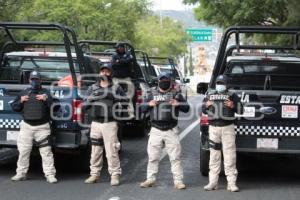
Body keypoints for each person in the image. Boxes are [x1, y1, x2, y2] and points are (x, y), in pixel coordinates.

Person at [140, 72, 190, 190]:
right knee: (153, 157)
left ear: (170, 81)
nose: (164, 82)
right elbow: (141, 109)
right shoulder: (151, 94)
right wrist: (149, 104)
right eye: (162, 79)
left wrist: (178, 104)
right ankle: (150, 179)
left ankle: (178, 181)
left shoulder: (176, 95)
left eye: (166, 80)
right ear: (158, 81)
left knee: (175, 157)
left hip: (171, 129)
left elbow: (187, 108)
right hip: (156, 129)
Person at [10, 70, 57, 183]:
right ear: (29, 80)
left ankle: (50, 175)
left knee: (46, 152)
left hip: (42, 127)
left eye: (37, 79)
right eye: (33, 79)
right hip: (27, 127)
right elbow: (15, 107)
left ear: (40, 80)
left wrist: (46, 100)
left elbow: (56, 108)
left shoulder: (46, 93)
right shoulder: (23, 93)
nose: (34, 81)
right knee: (23, 151)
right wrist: (21, 101)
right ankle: (21, 173)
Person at [84, 63, 125, 186]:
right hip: (96, 123)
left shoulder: (116, 88)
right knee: (95, 150)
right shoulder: (92, 88)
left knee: (111, 150)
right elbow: (84, 105)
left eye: (107, 72)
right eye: (103, 71)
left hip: (110, 123)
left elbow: (124, 104)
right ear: (99, 73)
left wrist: (111, 96)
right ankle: (94, 174)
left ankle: (115, 175)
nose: (104, 74)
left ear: (110, 73)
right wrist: (91, 98)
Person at [202, 74, 243, 192]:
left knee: (230, 156)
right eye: (218, 83)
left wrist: (233, 105)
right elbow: (203, 109)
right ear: (216, 84)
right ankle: (213, 183)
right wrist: (206, 105)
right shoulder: (209, 95)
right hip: (214, 129)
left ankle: (231, 184)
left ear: (226, 84)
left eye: (222, 83)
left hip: (227, 128)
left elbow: (241, 110)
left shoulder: (232, 95)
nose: (220, 85)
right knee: (214, 156)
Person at [111, 43, 134, 118]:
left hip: (126, 78)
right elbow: (113, 65)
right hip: (116, 78)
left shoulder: (128, 54)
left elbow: (129, 61)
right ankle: (118, 111)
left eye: (119, 47)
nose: (117, 49)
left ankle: (130, 113)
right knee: (116, 94)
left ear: (122, 48)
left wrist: (119, 61)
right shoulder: (114, 55)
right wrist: (123, 62)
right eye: (117, 48)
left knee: (129, 95)